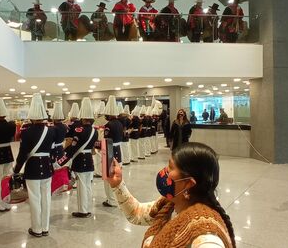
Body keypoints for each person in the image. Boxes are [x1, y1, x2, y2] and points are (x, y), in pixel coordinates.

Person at [105, 142, 235, 247]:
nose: (165, 171)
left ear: (188, 184)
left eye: (171, 167)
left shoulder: (205, 233)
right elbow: (136, 213)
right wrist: (117, 184)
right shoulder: (169, 205)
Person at [13, 93, 55, 237]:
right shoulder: (51, 131)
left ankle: (36, 229)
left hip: (33, 169)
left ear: (31, 116)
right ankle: (45, 227)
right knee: (46, 199)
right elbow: (53, 150)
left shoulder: (27, 132)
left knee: (35, 199)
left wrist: (16, 169)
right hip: (47, 167)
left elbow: (23, 154)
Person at [59, 97, 98, 218]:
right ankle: (87, 207)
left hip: (80, 160)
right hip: (89, 160)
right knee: (87, 185)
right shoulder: (94, 131)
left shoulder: (79, 129)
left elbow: (72, 148)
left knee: (81, 187)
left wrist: (61, 161)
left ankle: (83, 211)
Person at [102, 95, 124, 207]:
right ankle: (117, 198)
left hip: (110, 151)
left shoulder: (108, 125)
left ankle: (111, 200)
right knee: (118, 176)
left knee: (109, 177)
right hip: (119, 151)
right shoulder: (120, 123)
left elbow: (106, 140)